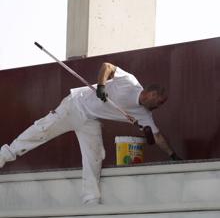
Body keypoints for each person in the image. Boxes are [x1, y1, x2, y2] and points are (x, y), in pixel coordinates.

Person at [0, 62, 180, 205]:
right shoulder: (130, 82)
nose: (159, 106)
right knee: (41, 130)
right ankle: (4, 155)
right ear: (150, 94)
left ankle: (91, 199)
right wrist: (101, 86)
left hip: (90, 120)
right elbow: (107, 66)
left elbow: (157, 137)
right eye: (159, 101)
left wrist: (172, 155)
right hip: (75, 106)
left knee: (95, 157)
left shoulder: (144, 114)